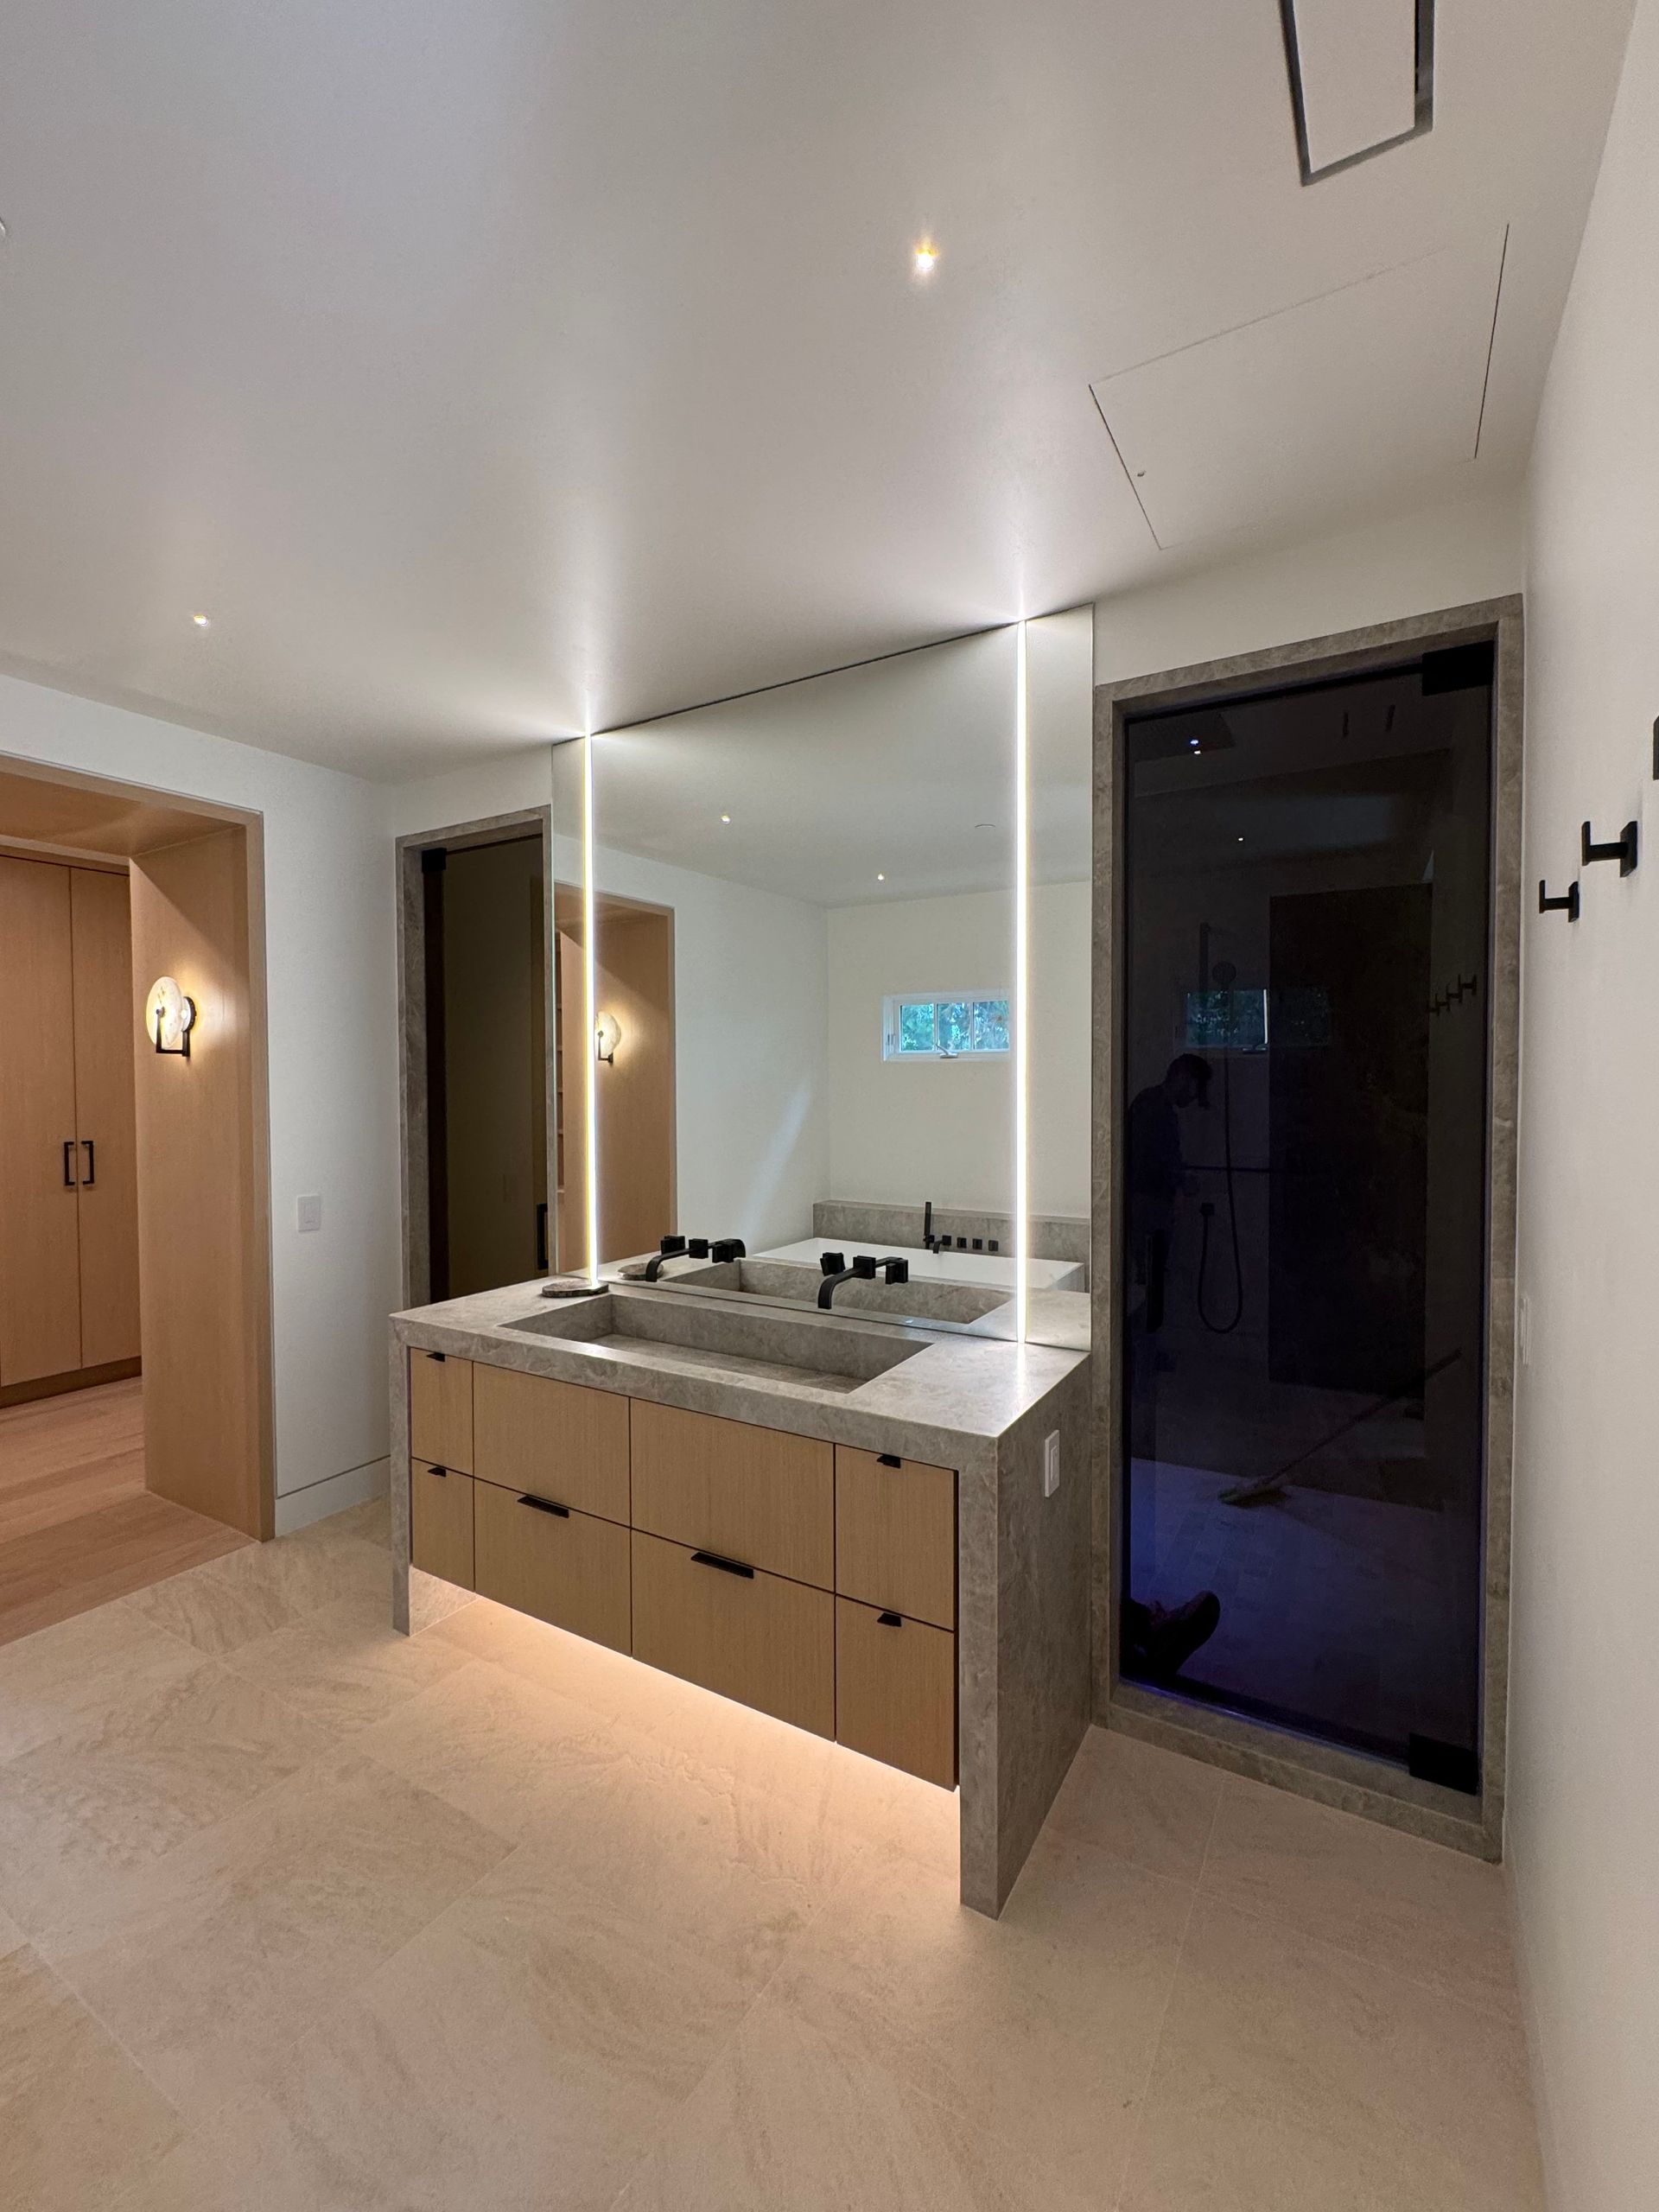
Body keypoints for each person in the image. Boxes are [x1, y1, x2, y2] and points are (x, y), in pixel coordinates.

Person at [1126, 1052, 1211, 1332]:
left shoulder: (1151, 1105)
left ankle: (1143, 1348)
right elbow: (1152, 1161)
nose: (1195, 1098)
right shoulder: (1153, 1108)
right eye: (1196, 1088)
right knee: (1147, 1279)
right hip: (1147, 1206)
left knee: (1150, 1278)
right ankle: (1139, 1349)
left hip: (1149, 1204)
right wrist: (1181, 1182)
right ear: (1183, 1078)